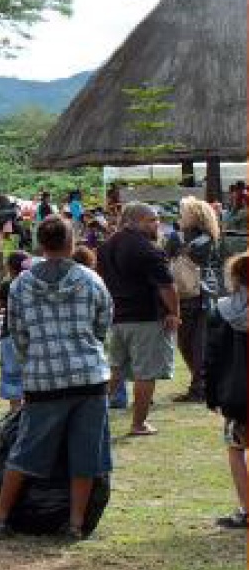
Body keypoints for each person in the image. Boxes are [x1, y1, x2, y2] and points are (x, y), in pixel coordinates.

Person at [0, 216, 114, 540]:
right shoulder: (90, 279)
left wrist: (38, 356)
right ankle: (74, 525)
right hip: (89, 377)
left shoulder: (21, 284)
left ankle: (1, 517)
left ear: (41, 245)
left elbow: (18, 334)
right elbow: (103, 325)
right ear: (72, 243)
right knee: (86, 455)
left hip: (44, 379)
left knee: (26, 451)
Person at [99, 202, 179, 436]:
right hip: (146, 318)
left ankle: (91, 417)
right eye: (152, 220)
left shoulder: (105, 246)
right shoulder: (148, 248)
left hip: (118, 317)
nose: (157, 224)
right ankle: (138, 424)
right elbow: (167, 286)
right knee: (146, 374)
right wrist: (174, 312)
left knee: (115, 370)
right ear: (137, 221)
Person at [164, 197, 223, 402]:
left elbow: (166, 256)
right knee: (198, 343)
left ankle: (199, 387)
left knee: (189, 344)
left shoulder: (178, 237)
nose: (180, 215)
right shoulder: (211, 238)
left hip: (188, 294)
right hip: (206, 293)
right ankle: (201, 386)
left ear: (193, 215)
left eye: (183, 212)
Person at [205, 253, 248, 528]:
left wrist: (211, 395)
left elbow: (212, 357)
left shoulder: (221, 310)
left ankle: (246, 508)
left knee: (236, 448)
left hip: (238, 393)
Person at [0, 251, 31, 411]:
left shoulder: (7, 285)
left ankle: (15, 410)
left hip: (9, 333)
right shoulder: (32, 284)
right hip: (29, 332)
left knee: (11, 372)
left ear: (10, 267)